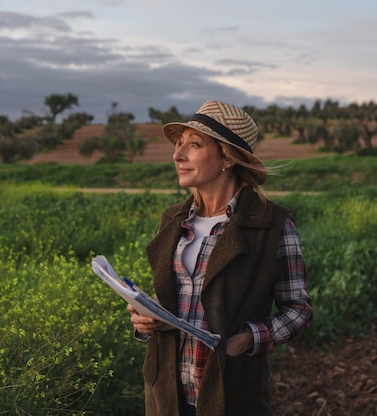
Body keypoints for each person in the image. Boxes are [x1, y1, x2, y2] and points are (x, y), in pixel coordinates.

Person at [127, 100, 313, 416]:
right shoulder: (173, 220)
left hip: (232, 391)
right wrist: (146, 319)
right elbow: (176, 297)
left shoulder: (272, 224)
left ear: (227, 157)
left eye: (194, 145)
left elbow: (298, 311)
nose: (177, 155)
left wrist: (246, 340)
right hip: (166, 392)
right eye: (179, 144)